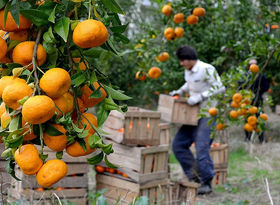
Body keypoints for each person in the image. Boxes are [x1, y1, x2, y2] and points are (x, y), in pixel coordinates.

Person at [169, 45, 225, 194]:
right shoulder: (188, 72)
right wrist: (180, 91)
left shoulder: (207, 69)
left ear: (190, 58)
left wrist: (200, 97)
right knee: (178, 145)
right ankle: (195, 177)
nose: (181, 64)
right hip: (192, 114)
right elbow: (190, 84)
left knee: (201, 148)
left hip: (207, 114)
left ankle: (206, 183)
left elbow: (219, 88)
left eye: (183, 61)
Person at [245, 59, 269, 143]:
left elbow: (266, 87)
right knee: (249, 119)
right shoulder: (258, 75)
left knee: (259, 118)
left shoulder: (259, 75)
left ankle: (260, 138)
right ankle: (249, 138)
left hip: (255, 99)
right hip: (248, 100)